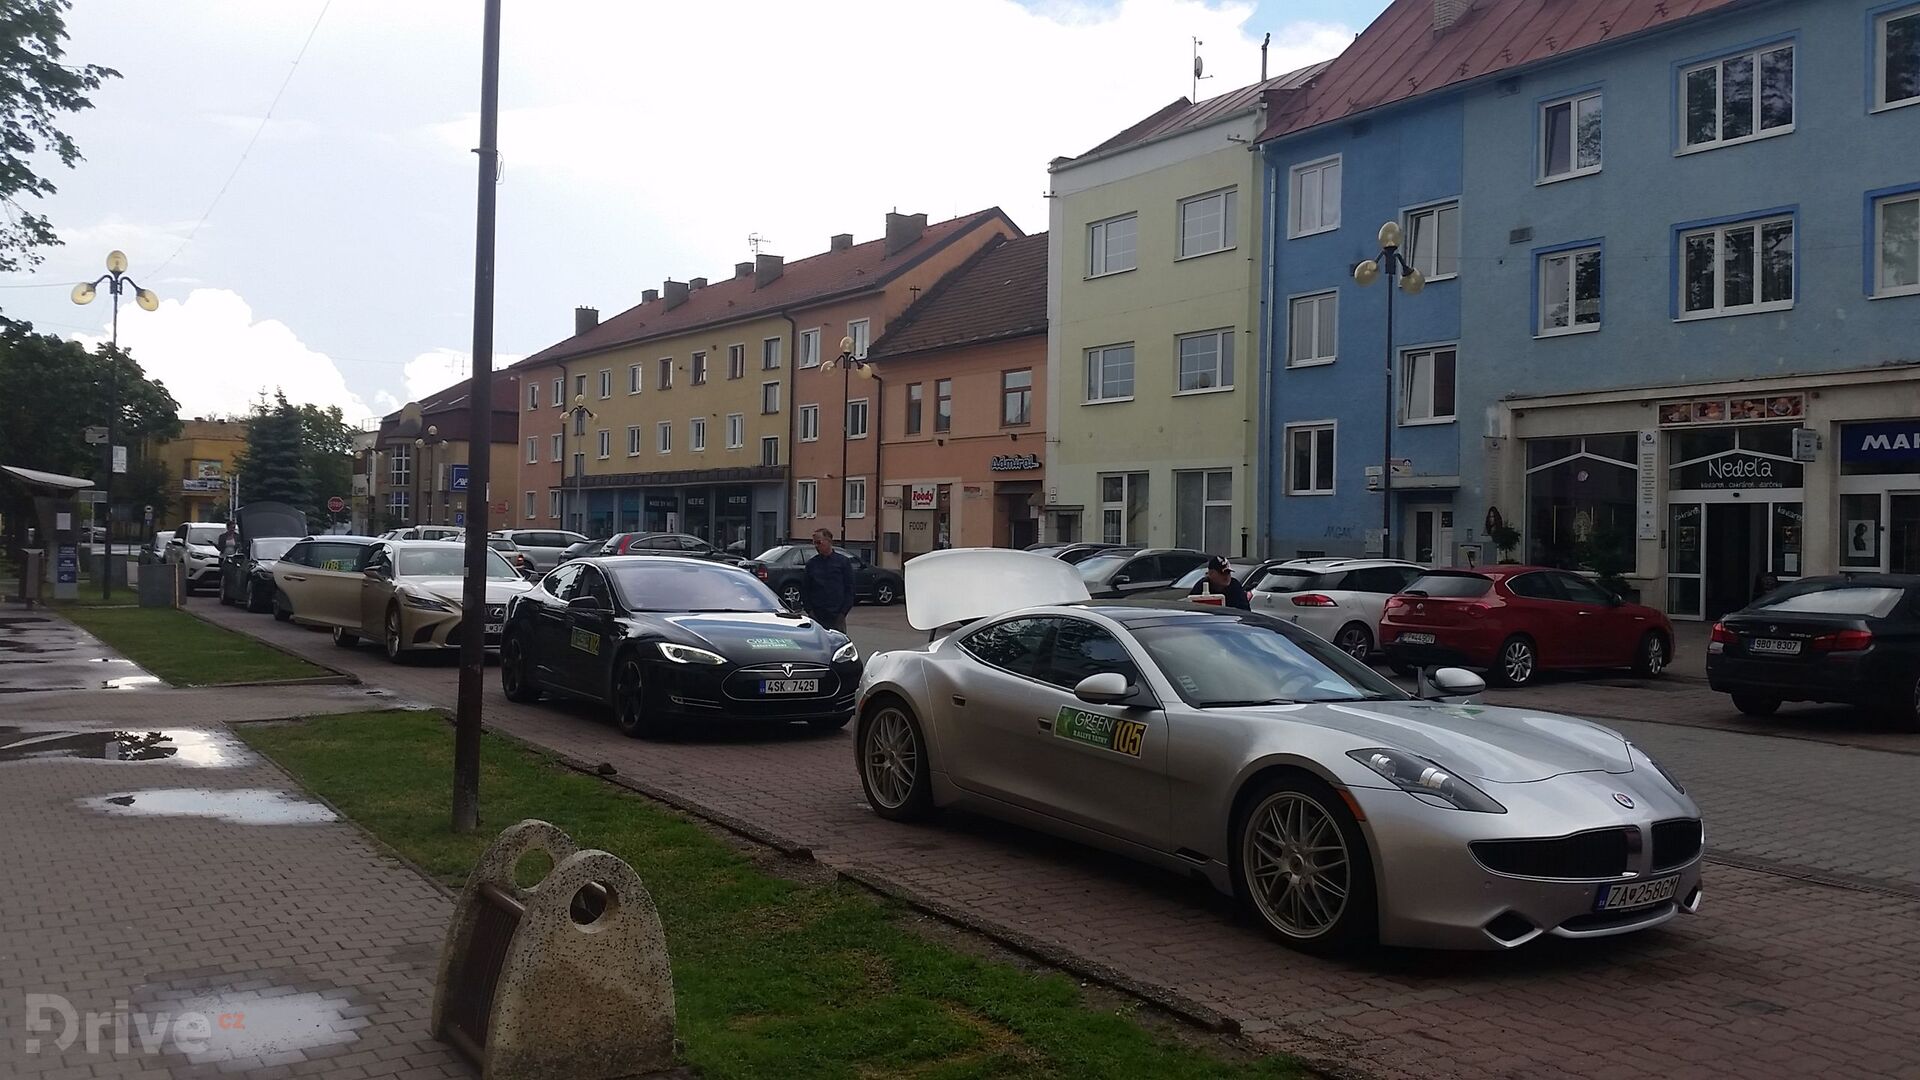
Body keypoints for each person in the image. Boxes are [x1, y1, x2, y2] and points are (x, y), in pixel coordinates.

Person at [800, 527, 856, 632]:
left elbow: (850, 589)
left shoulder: (843, 562)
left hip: (837, 616)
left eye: (819, 542)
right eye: (814, 543)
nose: (816, 546)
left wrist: (842, 613)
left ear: (829, 541)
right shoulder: (812, 564)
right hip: (817, 615)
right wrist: (810, 611)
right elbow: (805, 589)